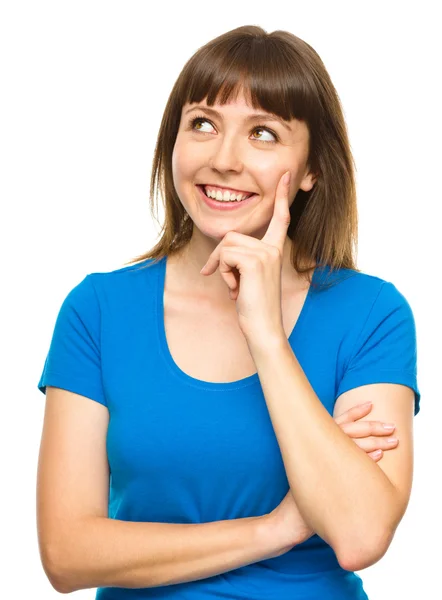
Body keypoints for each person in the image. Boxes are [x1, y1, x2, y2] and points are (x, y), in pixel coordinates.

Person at [36, 25, 420, 599]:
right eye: (203, 124)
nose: (224, 159)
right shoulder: (98, 310)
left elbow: (361, 533)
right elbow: (66, 554)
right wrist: (276, 528)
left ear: (313, 168)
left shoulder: (371, 314)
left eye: (263, 133)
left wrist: (266, 336)